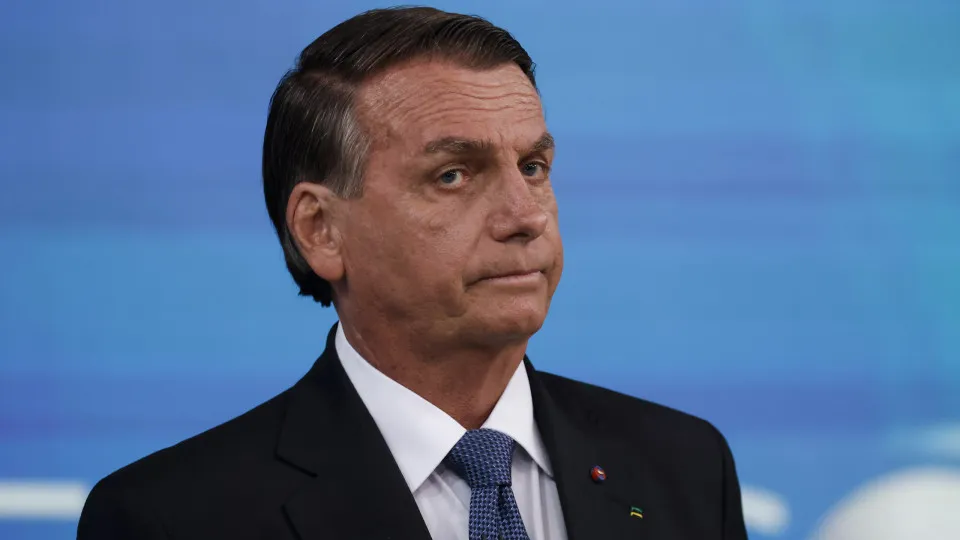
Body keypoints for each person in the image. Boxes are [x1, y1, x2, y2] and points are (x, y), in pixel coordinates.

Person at [77, 7, 748, 540]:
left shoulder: (685, 467)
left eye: (533, 167)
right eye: (453, 175)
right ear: (320, 229)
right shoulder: (173, 518)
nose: (525, 216)